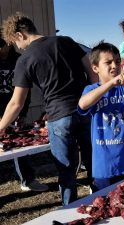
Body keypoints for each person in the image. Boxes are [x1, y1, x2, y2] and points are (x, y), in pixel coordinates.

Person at [0, 13, 97, 205]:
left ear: (19, 35)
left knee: (66, 171)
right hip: (85, 111)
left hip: (59, 117)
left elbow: (16, 103)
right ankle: (101, 200)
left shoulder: (25, 59)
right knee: (94, 162)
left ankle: (69, 211)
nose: (17, 47)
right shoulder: (67, 41)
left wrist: (1, 126)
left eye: (14, 42)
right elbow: (92, 74)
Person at [77, 41, 124, 190]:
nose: (115, 65)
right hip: (105, 165)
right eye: (108, 62)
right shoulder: (91, 89)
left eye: (118, 61)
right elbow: (83, 104)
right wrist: (111, 83)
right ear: (95, 68)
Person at [0, 37, 48, 192]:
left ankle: (27, 180)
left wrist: (23, 112)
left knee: (19, 145)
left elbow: (25, 91)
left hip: (16, 108)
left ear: (7, 44)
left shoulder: (19, 60)